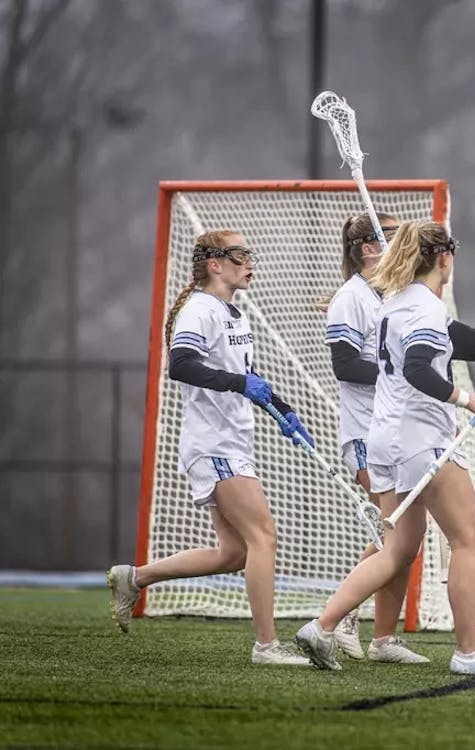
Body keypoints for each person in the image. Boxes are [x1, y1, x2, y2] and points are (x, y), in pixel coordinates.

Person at [295, 221, 475, 676]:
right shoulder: (422, 310)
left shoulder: (401, 303)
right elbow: (418, 369)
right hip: (420, 440)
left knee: (397, 550)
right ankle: (469, 654)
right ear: (443, 259)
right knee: (467, 541)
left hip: (386, 438)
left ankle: (321, 626)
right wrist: (465, 398)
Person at [107, 230, 314, 666]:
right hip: (214, 444)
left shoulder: (236, 314)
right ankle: (266, 646)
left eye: (249, 253)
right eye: (240, 255)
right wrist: (241, 384)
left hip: (234, 441)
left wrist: (283, 409)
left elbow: (246, 373)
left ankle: (135, 577)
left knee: (234, 553)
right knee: (264, 536)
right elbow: (182, 365)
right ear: (216, 264)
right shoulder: (199, 310)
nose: (249, 262)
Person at [320, 212, 428, 664]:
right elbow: (345, 365)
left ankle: (384, 639)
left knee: (405, 539)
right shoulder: (351, 299)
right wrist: (401, 371)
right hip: (367, 432)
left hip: (397, 430)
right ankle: (341, 614)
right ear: (368, 248)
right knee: (395, 536)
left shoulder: (396, 296)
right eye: (393, 239)